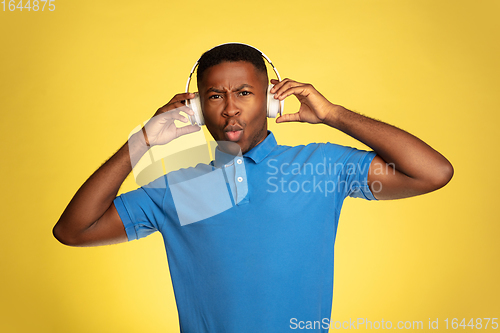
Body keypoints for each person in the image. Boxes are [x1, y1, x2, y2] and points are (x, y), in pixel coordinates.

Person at [53, 43, 453, 332]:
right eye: (215, 96)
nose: (230, 108)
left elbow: (432, 172)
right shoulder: (181, 190)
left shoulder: (322, 166)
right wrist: (140, 141)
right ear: (195, 109)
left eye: (244, 93)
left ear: (271, 100)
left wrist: (334, 114)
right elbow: (73, 231)